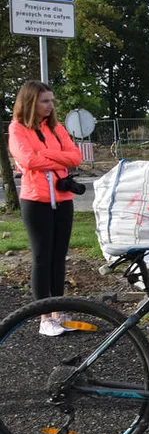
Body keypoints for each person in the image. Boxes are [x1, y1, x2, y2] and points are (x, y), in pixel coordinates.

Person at [7, 80, 83, 336]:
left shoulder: (57, 128)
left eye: (51, 101)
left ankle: (57, 312)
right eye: (45, 101)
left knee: (59, 257)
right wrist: (53, 157)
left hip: (63, 199)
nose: (50, 106)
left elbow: (75, 156)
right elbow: (26, 159)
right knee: (42, 257)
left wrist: (45, 158)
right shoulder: (17, 129)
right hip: (35, 200)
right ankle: (44, 318)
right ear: (30, 102)